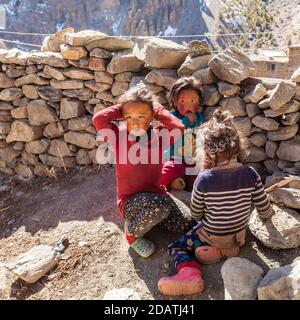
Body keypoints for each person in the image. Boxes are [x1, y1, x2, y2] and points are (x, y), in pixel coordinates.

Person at [157, 109, 274, 296]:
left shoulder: (204, 179)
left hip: (211, 234)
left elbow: (196, 214)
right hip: (238, 236)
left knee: (176, 246)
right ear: (237, 147)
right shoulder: (250, 174)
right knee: (227, 229)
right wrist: (269, 216)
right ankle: (228, 249)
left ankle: (191, 272)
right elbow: (263, 207)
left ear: (208, 153)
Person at [92, 86, 196, 258]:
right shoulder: (119, 137)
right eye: (129, 117)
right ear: (122, 117)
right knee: (158, 206)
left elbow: (178, 126)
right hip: (130, 202)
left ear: (152, 116)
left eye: (142, 116)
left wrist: (156, 108)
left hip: (158, 194)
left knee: (187, 223)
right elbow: (99, 119)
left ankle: (153, 219)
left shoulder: (159, 136)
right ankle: (131, 234)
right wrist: (123, 107)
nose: (135, 122)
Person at [160, 77, 206, 191]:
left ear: (199, 101)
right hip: (175, 159)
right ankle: (156, 189)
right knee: (170, 169)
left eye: (192, 101)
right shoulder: (171, 117)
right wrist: (185, 122)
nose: (188, 105)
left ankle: (182, 185)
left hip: (193, 162)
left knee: (199, 176)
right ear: (175, 102)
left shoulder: (201, 120)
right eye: (182, 101)